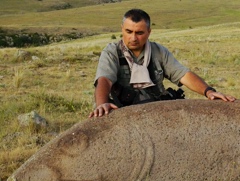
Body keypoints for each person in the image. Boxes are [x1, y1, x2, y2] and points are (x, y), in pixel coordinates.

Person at [89, 9, 236, 118]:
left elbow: (183, 74)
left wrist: (208, 91)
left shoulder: (158, 51)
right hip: (124, 109)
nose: (133, 38)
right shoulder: (111, 52)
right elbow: (104, 80)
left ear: (149, 32)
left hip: (157, 108)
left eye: (139, 33)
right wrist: (102, 103)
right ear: (122, 29)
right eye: (128, 31)